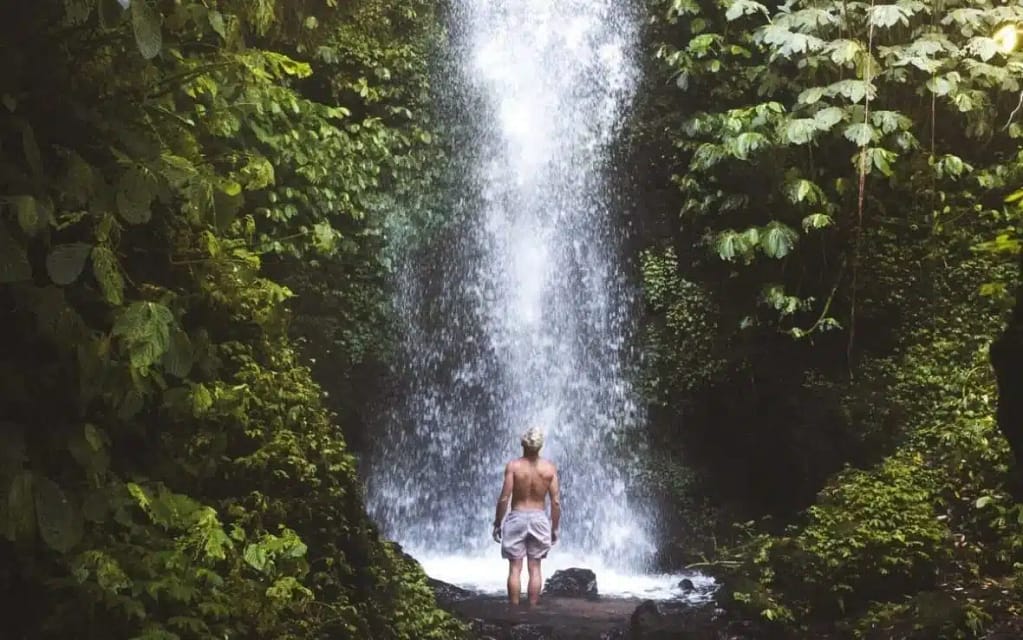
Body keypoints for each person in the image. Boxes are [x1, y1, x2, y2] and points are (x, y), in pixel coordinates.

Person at [492, 426, 561, 607]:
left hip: (517, 517)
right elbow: (555, 502)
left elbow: (505, 497)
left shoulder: (514, 466)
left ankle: (514, 610)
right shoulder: (549, 469)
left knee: (515, 568)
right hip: (539, 518)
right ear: (540, 446)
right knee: (535, 567)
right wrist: (554, 528)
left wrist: (497, 522)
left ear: (523, 443)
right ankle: (532, 610)